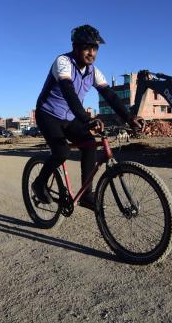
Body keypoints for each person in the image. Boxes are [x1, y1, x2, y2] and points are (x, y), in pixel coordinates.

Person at [32, 24, 144, 210]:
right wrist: (86, 119)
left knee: (90, 145)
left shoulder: (93, 72)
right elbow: (68, 91)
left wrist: (129, 118)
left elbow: (110, 95)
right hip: (48, 114)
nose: (91, 53)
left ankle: (86, 195)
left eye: (95, 48)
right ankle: (39, 183)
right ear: (76, 47)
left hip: (70, 117)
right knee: (61, 152)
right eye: (87, 47)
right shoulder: (63, 62)